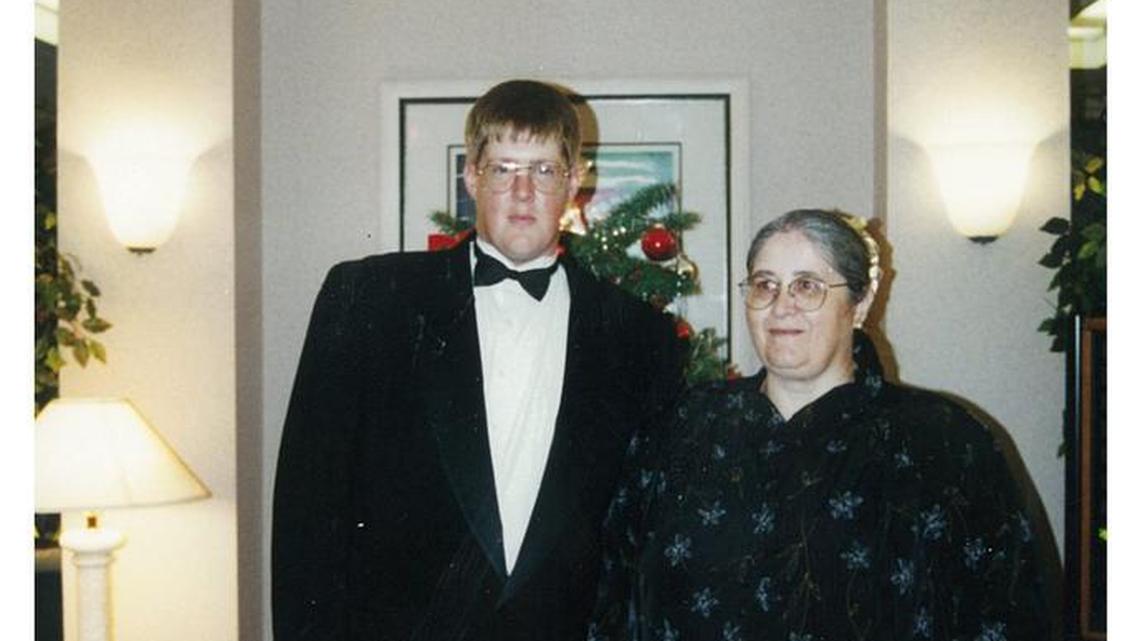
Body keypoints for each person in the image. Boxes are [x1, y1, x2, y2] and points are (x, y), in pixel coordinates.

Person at [271, 79, 685, 641]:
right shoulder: (369, 300)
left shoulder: (639, 336)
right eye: (503, 169)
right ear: (471, 177)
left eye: (542, 171)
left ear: (574, 182)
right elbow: (308, 516)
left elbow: (642, 542)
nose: (522, 192)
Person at [588, 209, 1051, 641]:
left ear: (862, 301)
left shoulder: (945, 444)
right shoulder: (683, 429)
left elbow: (1007, 615)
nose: (781, 306)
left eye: (807, 286)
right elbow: (614, 592)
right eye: (765, 285)